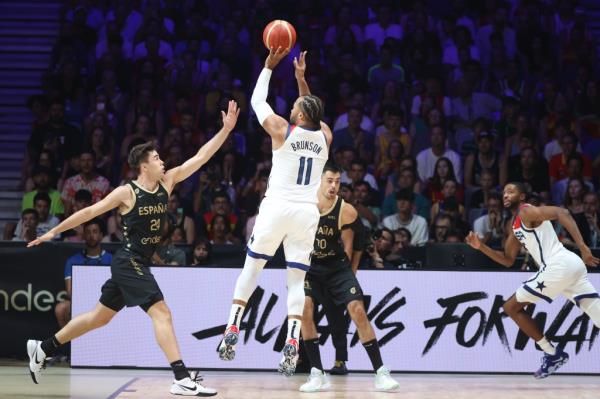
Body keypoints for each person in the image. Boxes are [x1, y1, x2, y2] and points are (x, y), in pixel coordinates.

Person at [27, 100, 240, 396]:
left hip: (136, 262)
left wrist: (226, 130)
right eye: (157, 158)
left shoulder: (167, 182)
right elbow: (89, 213)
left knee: (98, 318)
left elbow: (201, 158)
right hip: (129, 261)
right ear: (144, 166)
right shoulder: (126, 192)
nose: (162, 162)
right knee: (162, 312)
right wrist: (52, 231)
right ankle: (180, 377)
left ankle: (43, 348)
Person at [219, 49, 331, 377]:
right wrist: (300, 79)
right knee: (296, 282)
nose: (293, 105)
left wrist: (268, 67)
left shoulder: (283, 129)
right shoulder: (325, 135)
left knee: (251, 269)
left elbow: (256, 101)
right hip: (306, 214)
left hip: (277, 208)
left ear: (298, 115)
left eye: (296, 105)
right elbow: (313, 110)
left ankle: (232, 328)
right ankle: (293, 342)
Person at [466, 182, 600, 379]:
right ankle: (552, 354)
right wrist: (481, 247)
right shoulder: (515, 225)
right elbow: (508, 260)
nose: (505, 195)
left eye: (511, 191)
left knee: (511, 307)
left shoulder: (526, 211)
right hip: (570, 267)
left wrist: (583, 246)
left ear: (522, 197)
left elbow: (563, 212)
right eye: (504, 192)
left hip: (558, 266)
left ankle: (552, 353)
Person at [299, 163, 399, 392]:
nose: (334, 186)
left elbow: (362, 236)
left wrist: (352, 269)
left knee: (358, 310)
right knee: (305, 309)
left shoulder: (346, 210)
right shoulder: (303, 205)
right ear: (319, 180)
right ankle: (316, 372)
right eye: (330, 180)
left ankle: (380, 372)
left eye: (338, 182)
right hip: (311, 269)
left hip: (338, 269)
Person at [55, 219, 112, 330]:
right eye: (88, 232)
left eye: (95, 232)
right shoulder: (73, 260)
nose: (91, 235)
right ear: (84, 236)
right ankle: (70, 344)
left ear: (101, 235)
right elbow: (69, 291)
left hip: (105, 303)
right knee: (61, 308)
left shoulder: (111, 260)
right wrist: (85, 301)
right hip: (80, 302)